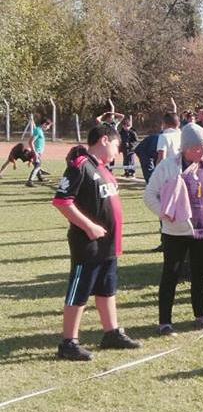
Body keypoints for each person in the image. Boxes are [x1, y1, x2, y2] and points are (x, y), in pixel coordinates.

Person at [52, 124, 142, 360]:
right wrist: (89, 226)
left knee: (106, 288)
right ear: (104, 140)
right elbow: (62, 201)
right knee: (79, 291)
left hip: (108, 244)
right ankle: (68, 342)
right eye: (116, 145)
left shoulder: (102, 168)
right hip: (88, 244)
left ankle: (111, 332)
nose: (117, 150)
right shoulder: (81, 165)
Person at [144, 124, 203, 335]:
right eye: (196, 147)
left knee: (201, 274)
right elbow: (149, 194)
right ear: (185, 147)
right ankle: (165, 322)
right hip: (176, 232)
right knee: (171, 274)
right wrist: (165, 214)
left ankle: (201, 316)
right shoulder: (168, 166)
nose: (201, 151)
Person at [25, 117, 52, 187]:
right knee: (37, 166)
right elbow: (31, 142)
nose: (48, 128)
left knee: (38, 165)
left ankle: (40, 178)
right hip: (36, 152)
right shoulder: (38, 130)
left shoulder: (39, 130)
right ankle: (29, 181)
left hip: (38, 152)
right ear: (44, 124)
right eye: (48, 126)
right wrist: (35, 153)